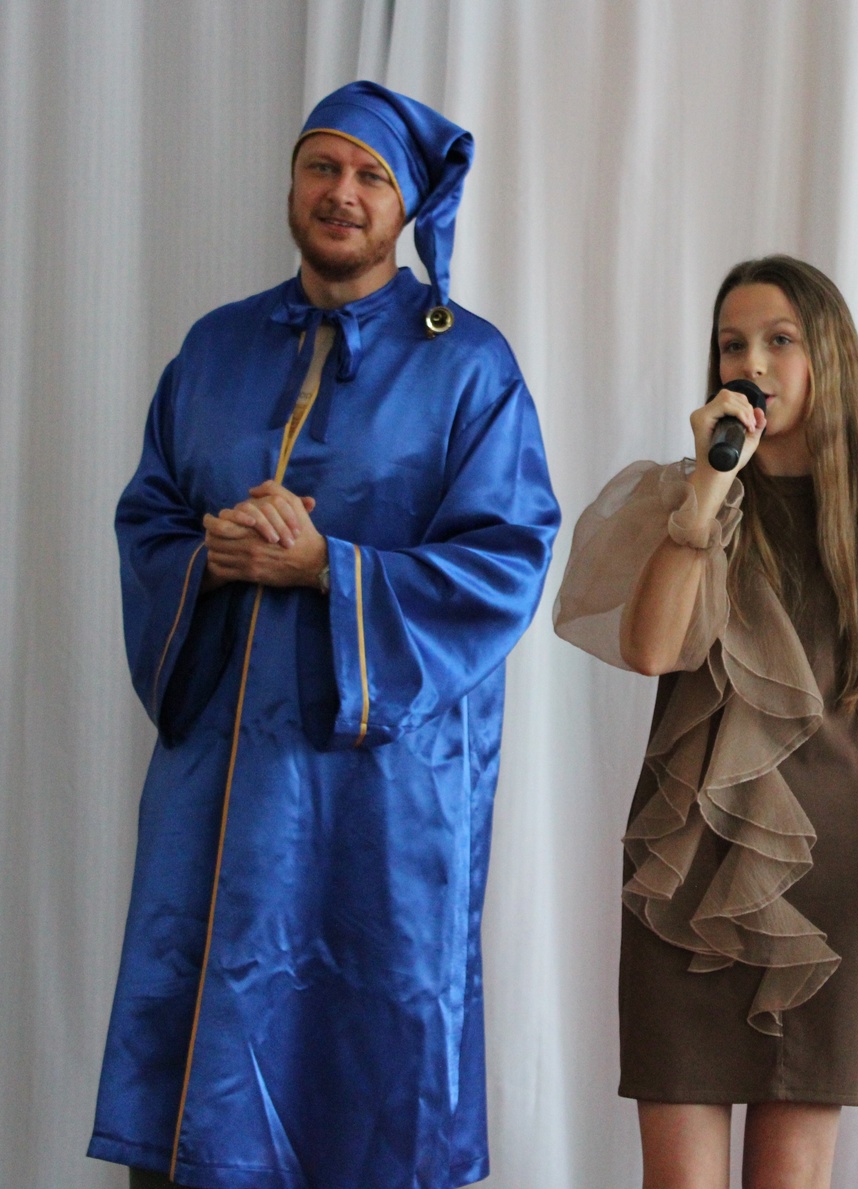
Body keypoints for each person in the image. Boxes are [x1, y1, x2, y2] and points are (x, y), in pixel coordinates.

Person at [88, 81, 560, 1189]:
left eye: (370, 175)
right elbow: (149, 515)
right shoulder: (214, 350)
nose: (341, 193)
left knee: (367, 1073)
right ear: (294, 180)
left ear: (407, 206)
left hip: (382, 806)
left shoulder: (469, 366)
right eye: (322, 166)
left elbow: (507, 560)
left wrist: (325, 568)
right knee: (198, 1081)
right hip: (216, 791)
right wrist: (209, 552)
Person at [554, 255, 858, 1189]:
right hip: (681, 880)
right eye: (732, 344)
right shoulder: (684, 503)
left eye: (779, 340)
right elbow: (653, 648)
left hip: (821, 891)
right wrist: (708, 488)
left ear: (828, 358)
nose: (753, 363)